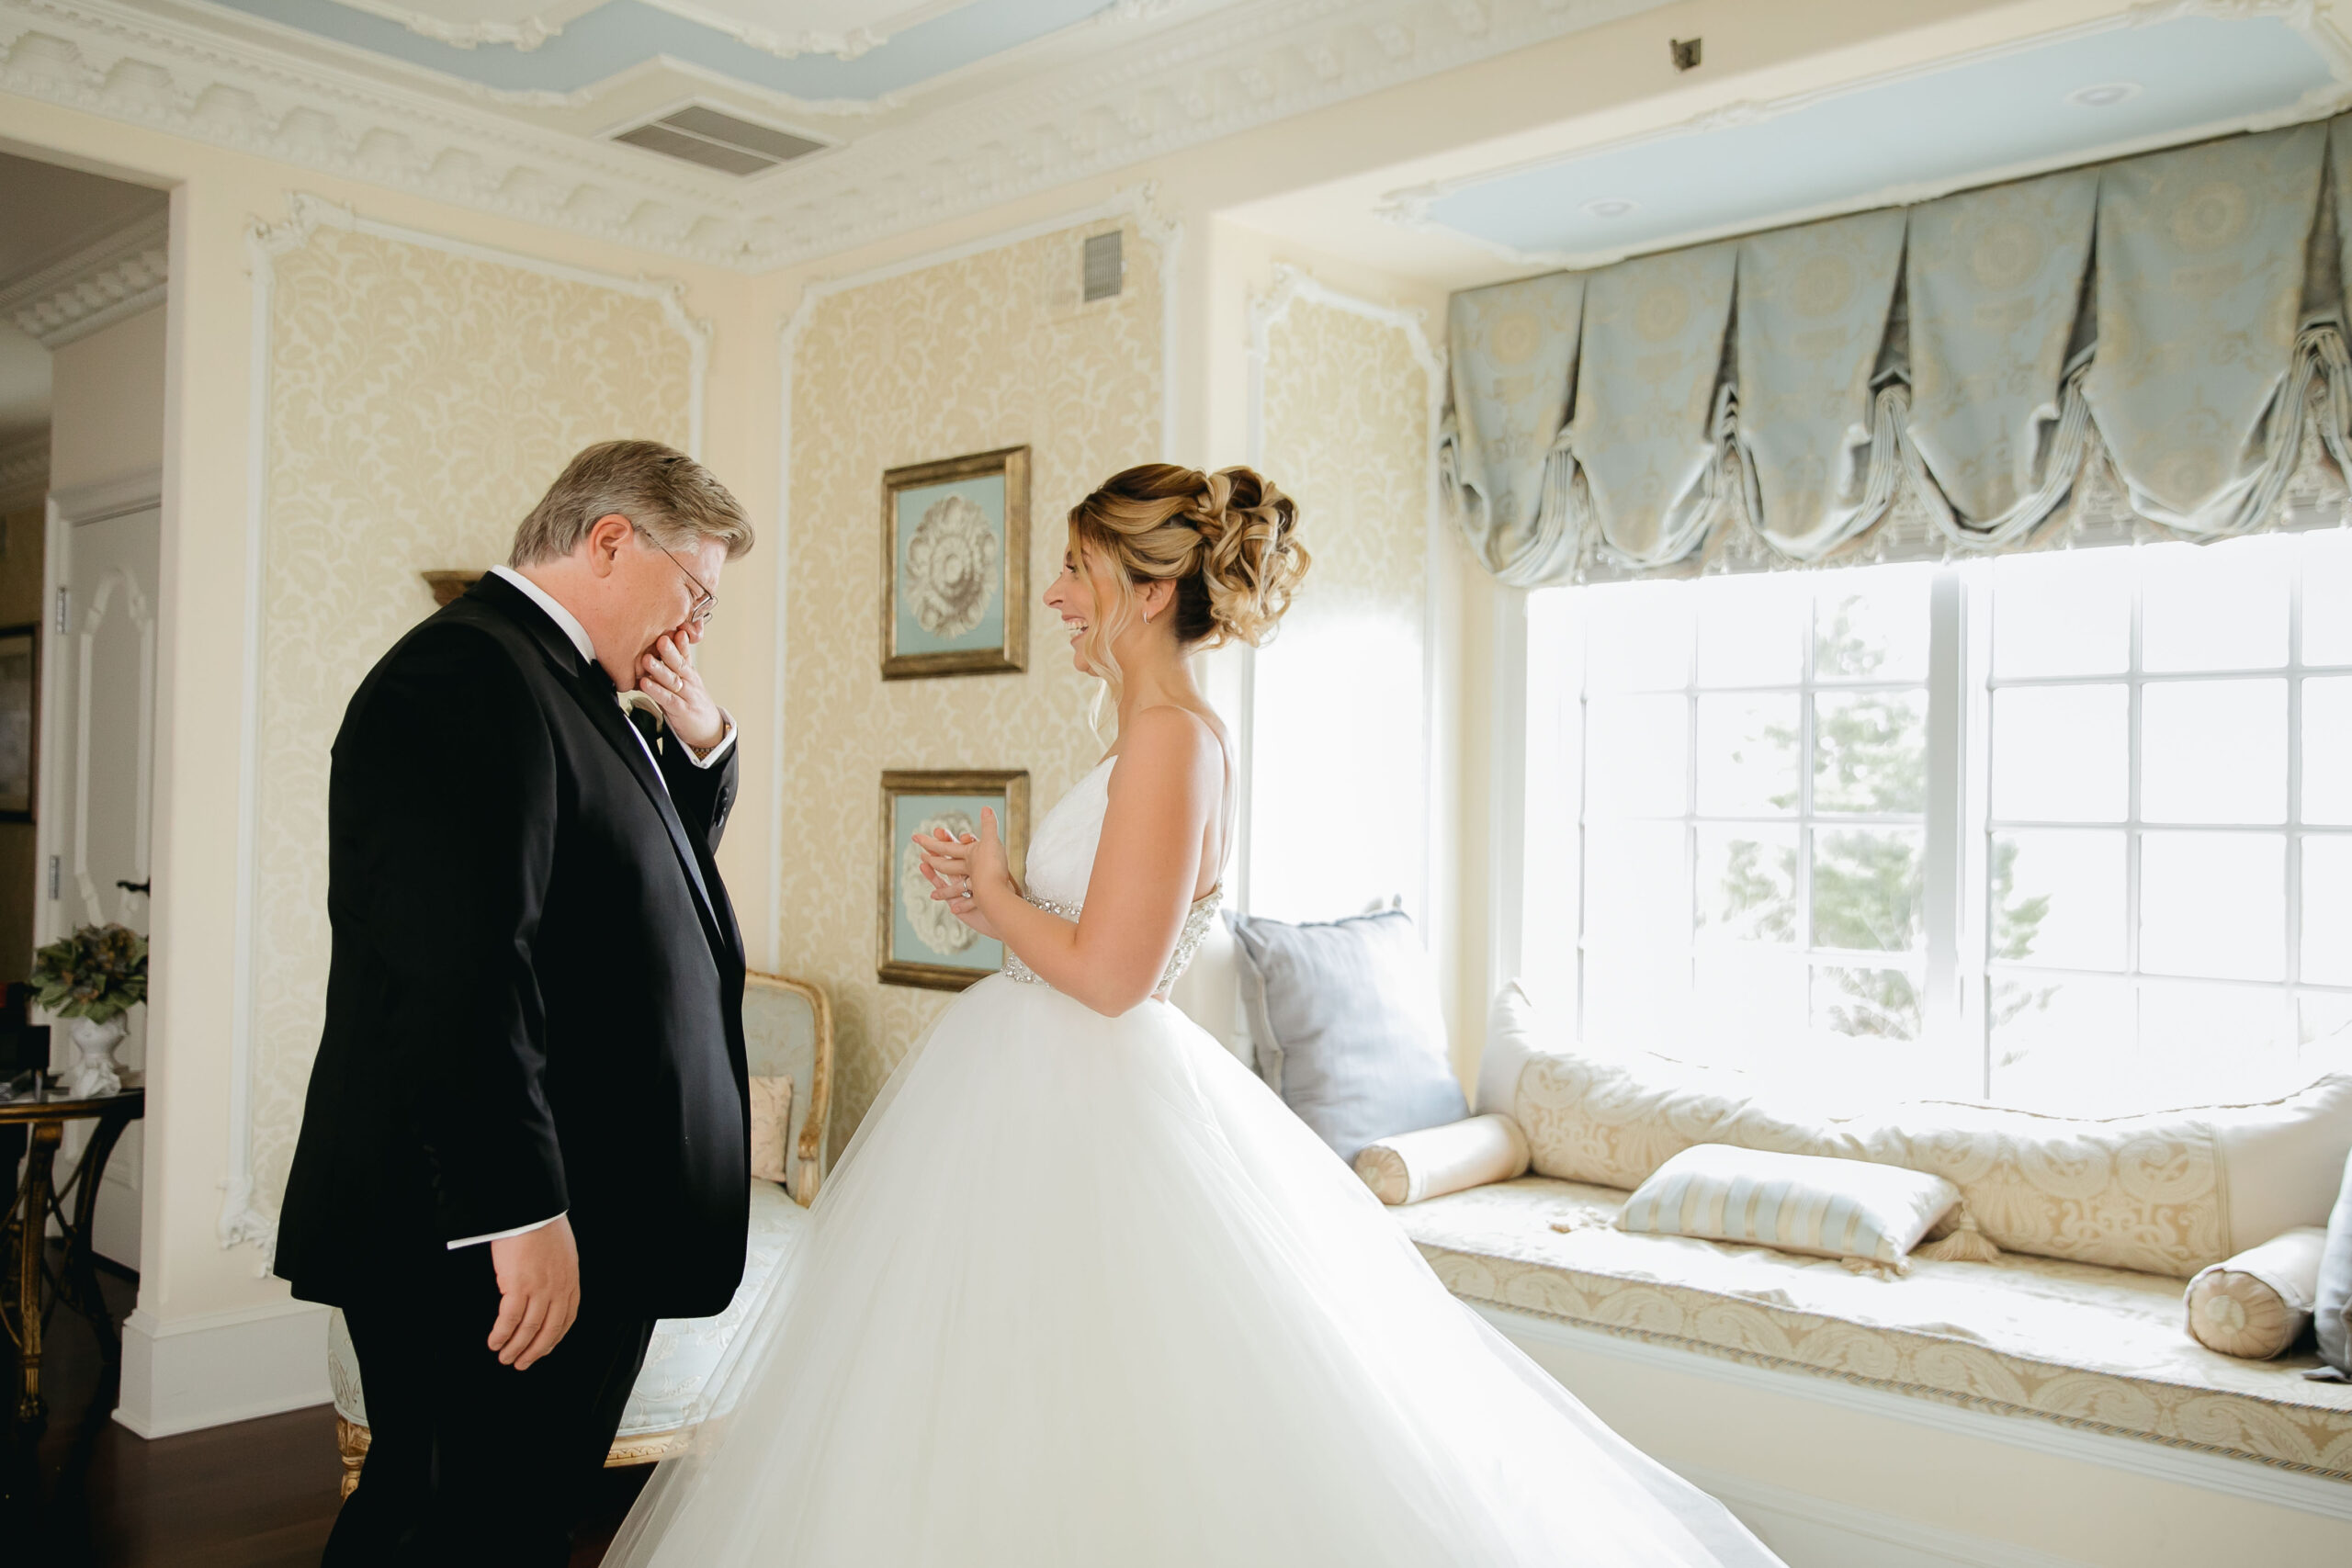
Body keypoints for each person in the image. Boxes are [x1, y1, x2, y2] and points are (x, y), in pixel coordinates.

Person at [606, 462, 1782, 1567]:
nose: (1058, 595)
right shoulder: (1149, 736)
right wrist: (995, 906)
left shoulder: (1173, 738)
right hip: (1038, 1090)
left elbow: (1114, 975)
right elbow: (1091, 941)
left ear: (1150, 587)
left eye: (1077, 568)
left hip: (1085, 1101)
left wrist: (1002, 901)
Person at [275, 440, 757, 1566]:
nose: (691, 629)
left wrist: (701, 749)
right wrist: (521, 1214)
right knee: (450, 1521)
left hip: (581, 1205)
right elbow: (460, 970)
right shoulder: (466, 677)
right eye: (693, 593)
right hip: (486, 1226)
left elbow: (631, 893)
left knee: (512, 1520)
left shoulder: (568, 682)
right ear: (608, 541)